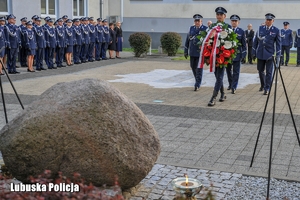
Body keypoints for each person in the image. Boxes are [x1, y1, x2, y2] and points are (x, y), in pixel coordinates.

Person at [207, 7, 231, 106]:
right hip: (213, 56)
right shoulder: (212, 27)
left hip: (223, 56)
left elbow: (231, 43)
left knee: (220, 76)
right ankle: (223, 94)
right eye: (218, 14)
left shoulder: (228, 27)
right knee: (217, 76)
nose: (219, 16)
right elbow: (207, 39)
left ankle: (213, 97)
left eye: (221, 15)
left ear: (224, 16)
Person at [252, 13, 281, 95]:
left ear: (273, 21)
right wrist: (253, 52)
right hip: (260, 53)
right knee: (260, 70)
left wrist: (278, 55)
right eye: (267, 20)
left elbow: (278, 44)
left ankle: (267, 88)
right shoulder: (260, 28)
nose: (268, 21)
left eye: (270, 20)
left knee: (269, 72)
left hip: (269, 54)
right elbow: (255, 42)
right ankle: (263, 84)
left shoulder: (276, 30)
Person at [184, 14, 207, 91]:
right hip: (192, 52)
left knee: (199, 68)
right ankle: (197, 80)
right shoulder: (191, 28)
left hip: (200, 53)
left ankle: (197, 84)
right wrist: (185, 50)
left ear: (201, 21)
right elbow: (187, 40)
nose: (197, 22)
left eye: (198, 21)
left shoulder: (205, 29)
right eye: (196, 21)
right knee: (193, 67)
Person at [226, 15, 246, 94]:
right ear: (231, 22)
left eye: (235, 21)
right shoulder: (227, 30)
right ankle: (230, 83)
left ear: (238, 22)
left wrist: (244, 55)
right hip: (227, 54)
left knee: (236, 71)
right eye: (233, 21)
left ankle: (234, 86)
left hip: (237, 54)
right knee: (228, 70)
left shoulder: (241, 31)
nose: (234, 22)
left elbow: (244, 44)